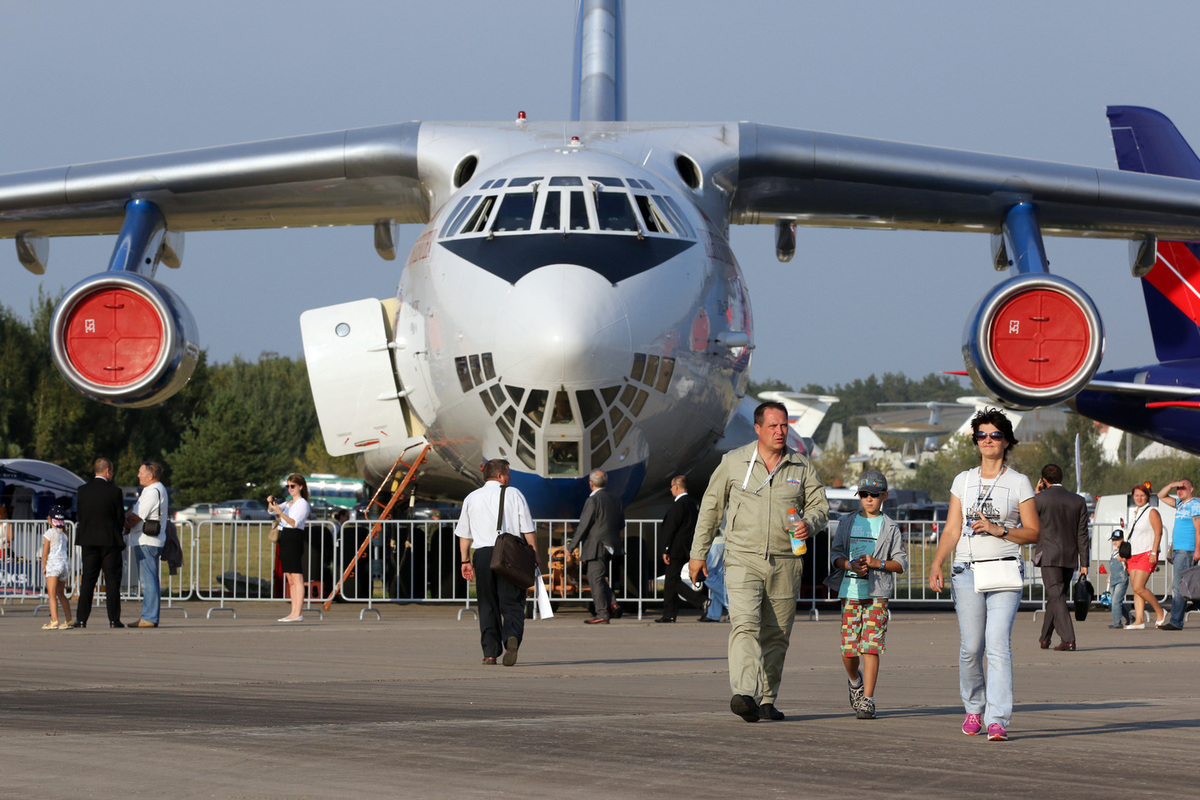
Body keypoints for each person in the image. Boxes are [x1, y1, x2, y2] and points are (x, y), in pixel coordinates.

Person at [690, 400, 828, 723]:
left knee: (777, 633)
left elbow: (820, 506)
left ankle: (766, 699)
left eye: (784, 426)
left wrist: (811, 522)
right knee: (745, 624)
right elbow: (711, 508)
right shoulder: (734, 462)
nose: (780, 432)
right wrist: (698, 553)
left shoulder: (801, 466)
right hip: (742, 559)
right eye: (773, 426)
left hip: (786, 562)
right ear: (758, 429)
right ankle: (743, 693)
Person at [928, 408, 1039, 742]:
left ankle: (998, 719)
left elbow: (1033, 532)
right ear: (975, 441)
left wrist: (998, 530)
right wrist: (936, 563)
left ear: (1006, 441)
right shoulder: (963, 480)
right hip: (966, 572)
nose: (988, 441)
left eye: (995, 435)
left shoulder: (1018, 482)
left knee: (997, 646)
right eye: (982, 435)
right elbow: (951, 528)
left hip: (1004, 572)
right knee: (971, 648)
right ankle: (974, 708)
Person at [823, 470, 908, 720]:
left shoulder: (890, 527)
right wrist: (849, 565)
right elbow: (835, 555)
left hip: (877, 594)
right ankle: (854, 681)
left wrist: (878, 563)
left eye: (874, 494)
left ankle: (868, 700)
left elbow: (900, 563)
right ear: (858, 496)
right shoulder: (847, 522)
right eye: (864, 494)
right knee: (849, 650)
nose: (869, 499)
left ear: (884, 496)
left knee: (870, 647)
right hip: (850, 592)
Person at [456, 459, 537, 666]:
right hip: (509, 555)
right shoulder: (515, 494)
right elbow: (527, 528)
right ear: (500, 475)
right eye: (508, 474)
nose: (510, 478)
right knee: (512, 601)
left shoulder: (471, 498)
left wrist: (465, 560)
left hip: (483, 555)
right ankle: (511, 637)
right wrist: (534, 554)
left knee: (487, 603)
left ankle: (490, 653)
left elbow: (464, 534)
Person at [1033, 464, 1090, 651]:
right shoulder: (1078, 501)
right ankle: (1045, 638)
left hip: (1048, 554)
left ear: (1043, 480)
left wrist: (1036, 495)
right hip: (1069, 555)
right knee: (1056, 595)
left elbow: (1028, 523)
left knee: (1056, 596)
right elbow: (1082, 534)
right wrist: (1084, 562)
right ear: (1062, 478)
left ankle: (1068, 639)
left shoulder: (1039, 500)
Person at [74, 457, 126, 629]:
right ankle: (113, 619)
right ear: (107, 471)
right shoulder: (115, 492)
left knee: (88, 580)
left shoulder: (82, 490)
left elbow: (80, 515)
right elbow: (120, 518)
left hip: (89, 541)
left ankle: (81, 619)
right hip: (109, 541)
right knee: (112, 582)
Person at [567, 469, 626, 624]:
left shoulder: (592, 501)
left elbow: (583, 526)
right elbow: (621, 523)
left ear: (591, 484)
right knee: (598, 576)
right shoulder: (616, 499)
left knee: (595, 579)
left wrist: (571, 547)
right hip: (611, 544)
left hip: (596, 545)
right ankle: (613, 603)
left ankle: (602, 613)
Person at [124, 461, 168, 628]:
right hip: (149, 540)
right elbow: (135, 511)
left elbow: (137, 516)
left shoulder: (152, 491)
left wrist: (126, 524)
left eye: (140, 472)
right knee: (150, 579)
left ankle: (149, 617)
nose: (138, 475)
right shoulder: (155, 489)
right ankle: (149, 616)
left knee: (148, 580)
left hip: (147, 541)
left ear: (150, 475)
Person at [655, 475, 704, 623]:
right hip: (687, 547)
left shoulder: (679, 505)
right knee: (671, 581)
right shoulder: (691, 504)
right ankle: (669, 614)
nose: (671, 490)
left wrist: (666, 549)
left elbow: (671, 528)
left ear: (676, 487)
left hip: (676, 549)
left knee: (672, 580)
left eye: (671, 487)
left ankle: (701, 601)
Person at [1156, 479, 1200, 630]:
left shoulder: (1195, 505)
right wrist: (1171, 485)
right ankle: (1177, 620)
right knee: (1187, 586)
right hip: (1178, 551)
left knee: (1179, 587)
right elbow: (1161, 496)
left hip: (1186, 550)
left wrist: (1197, 550)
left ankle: (1176, 621)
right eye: (1178, 489)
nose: (1180, 491)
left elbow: (1198, 530)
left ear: (1191, 489)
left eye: (1183, 488)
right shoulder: (1180, 504)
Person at [268, 474, 311, 622]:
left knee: (297, 577)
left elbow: (294, 522)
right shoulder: (288, 503)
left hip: (294, 537)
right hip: (285, 537)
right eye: (288, 486)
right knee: (290, 578)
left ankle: (298, 613)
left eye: (293, 486)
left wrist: (280, 513)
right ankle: (293, 612)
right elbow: (271, 510)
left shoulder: (302, 504)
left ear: (300, 486)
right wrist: (271, 502)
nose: (290, 489)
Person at [1125, 482, 1165, 629]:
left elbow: (1158, 532)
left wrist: (1154, 551)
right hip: (1133, 554)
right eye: (1136, 495)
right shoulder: (1134, 512)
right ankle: (1139, 619)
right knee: (1136, 588)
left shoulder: (1151, 511)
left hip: (1147, 552)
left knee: (1139, 587)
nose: (1139, 498)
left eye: (1142, 495)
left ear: (1148, 497)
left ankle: (1160, 611)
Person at [40, 507, 73, 630]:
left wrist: (44, 566)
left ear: (50, 519)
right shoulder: (64, 535)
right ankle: (69, 620)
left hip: (53, 564)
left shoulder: (49, 533)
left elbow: (45, 552)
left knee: (52, 594)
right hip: (64, 564)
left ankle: (54, 621)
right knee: (61, 593)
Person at [1107, 531, 1133, 629]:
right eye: (1113, 540)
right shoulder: (1114, 552)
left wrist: (1122, 557)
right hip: (1113, 578)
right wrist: (1109, 576)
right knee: (1116, 601)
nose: (1115, 542)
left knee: (1116, 601)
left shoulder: (1124, 550)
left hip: (1122, 579)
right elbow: (1112, 565)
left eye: (1117, 540)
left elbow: (1126, 560)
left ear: (1123, 539)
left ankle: (1117, 622)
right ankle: (1130, 617)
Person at [700, 535, 728, 622]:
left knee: (707, 575)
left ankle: (732, 605)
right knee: (718, 578)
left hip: (716, 540)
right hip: (724, 540)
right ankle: (713, 614)